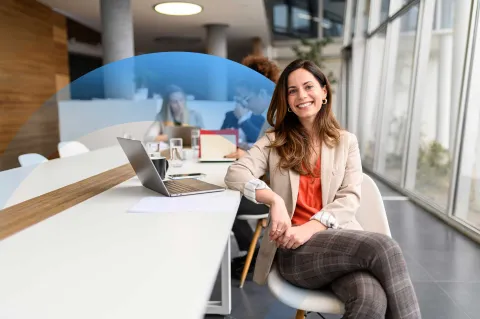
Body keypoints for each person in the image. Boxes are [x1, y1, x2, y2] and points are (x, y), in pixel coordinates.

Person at [225, 59, 421, 318]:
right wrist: (274, 200)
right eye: (292, 90)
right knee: (385, 248)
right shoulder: (274, 141)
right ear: (286, 100)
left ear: (324, 92)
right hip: (295, 251)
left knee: (370, 297)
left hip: (339, 243)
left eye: (308, 87)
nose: (301, 95)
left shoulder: (346, 142)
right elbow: (235, 173)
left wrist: (312, 227)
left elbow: (350, 197)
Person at [226, 55, 280, 280]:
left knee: (225, 202)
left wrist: (246, 157)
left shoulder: (276, 118)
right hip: (268, 187)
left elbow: (266, 163)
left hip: (273, 194)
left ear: (261, 92)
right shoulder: (272, 115)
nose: (245, 104)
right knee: (226, 195)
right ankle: (253, 252)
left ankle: (255, 254)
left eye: (246, 97)